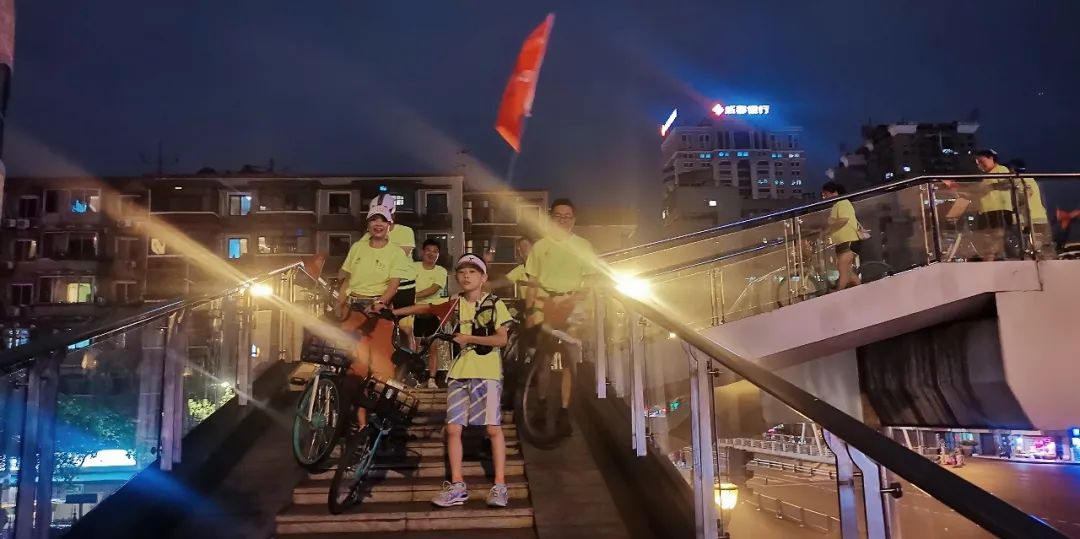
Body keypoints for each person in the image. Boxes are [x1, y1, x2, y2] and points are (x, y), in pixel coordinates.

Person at [432, 254, 512, 509]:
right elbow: (426, 309)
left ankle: (500, 485)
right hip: (458, 373)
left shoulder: (494, 303)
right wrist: (392, 310)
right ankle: (457, 485)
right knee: (453, 429)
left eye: (473, 272)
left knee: (493, 429)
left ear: (483, 277)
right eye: (462, 272)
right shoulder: (454, 303)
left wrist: (469, 339)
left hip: (487, 373)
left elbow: (501, 339)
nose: (466, 276)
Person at [523, 198, 595, 436]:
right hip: (544, 305)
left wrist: (574, 301)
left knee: (569, 362)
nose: (563, 220)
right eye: (558, 216)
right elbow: (532, 283)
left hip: (571, 306)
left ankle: (565, 411)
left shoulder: (583, 246)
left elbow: (590, 281)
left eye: (567, 216)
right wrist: (530, 311)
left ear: (574, 219)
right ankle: (542, 405)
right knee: (542, 360)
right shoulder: (540, 246)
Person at [337, 202, 412, 427]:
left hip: (377, 310)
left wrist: (380, 303)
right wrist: (339, 302)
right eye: (373, 220)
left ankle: (377, 417)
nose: (378, 224)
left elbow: (393, 285)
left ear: (390, 225)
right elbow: (346, 278)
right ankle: (358, 424)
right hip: (354, 308)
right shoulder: (357, 248)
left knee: (382, 366)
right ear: (368, 224)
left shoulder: (395, 252)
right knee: (353, 365)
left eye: (383, 220)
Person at [360, 193, 418, 309]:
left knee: (403, 319)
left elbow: (399, 258)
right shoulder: (367, 236)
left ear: (392, 214)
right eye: (375, 217)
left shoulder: (405, 231)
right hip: (379, 288)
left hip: (404, 286)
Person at [414, 239, 449, 388]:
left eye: (435, 251)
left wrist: (413, 296)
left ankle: (432, 379)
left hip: (432, 312)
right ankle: (417, 378)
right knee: (415, 348)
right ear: (423, 251)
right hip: (413, 312)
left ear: (438, 254)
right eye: (428, 250)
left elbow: (433, 289)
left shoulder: (441, 271)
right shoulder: (413, 267)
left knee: (433, 347)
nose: (431, 254)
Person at [972, 149, 1016, 260]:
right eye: (978, 163)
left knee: (997, 238)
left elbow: (1007, 183)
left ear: (991, 158)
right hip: (986, 212)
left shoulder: (1001, 169)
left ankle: (998, 259)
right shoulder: (986, 177)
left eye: (982, 161)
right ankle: (990, 259)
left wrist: (990, 187)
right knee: (986, 241)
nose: (980, 165)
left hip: (999, 210)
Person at [821, 182, 862, 290]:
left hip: (848, 241)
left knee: (842, 268)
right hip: (842, 242)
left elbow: (844, 219)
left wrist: (829, 229)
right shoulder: (837, 205)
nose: (824, 197)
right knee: (847, 271)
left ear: (834, 192)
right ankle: (861, 289)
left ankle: (838, 293)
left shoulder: (843, 203)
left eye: (825, 194)